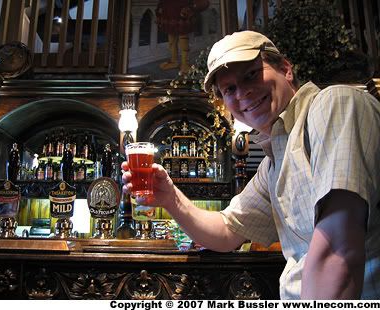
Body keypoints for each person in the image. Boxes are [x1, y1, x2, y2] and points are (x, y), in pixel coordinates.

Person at [122, 30, 380, 299]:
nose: (243, 92)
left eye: (251, 74)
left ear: (286, 69)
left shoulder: (334, 104)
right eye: (229, 89)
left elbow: (338, 249)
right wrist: (170, 197)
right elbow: (227, 231)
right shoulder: (274, 161)